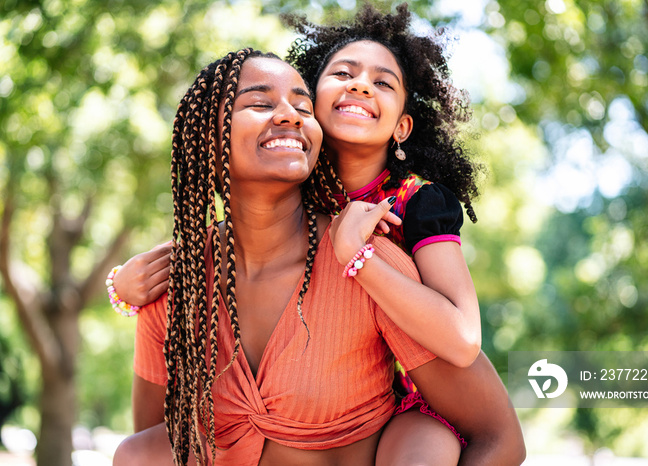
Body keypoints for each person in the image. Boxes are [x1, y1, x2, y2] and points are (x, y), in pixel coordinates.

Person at [111, 5, 526, 465]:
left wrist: (358, 259)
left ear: (401, 127)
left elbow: (465, 342)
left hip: (418, 405)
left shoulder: (396, 222)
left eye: (299, 105)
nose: (289, 116)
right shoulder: (181, 279)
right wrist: (123, 290)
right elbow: (157, 441)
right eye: (260, 103)